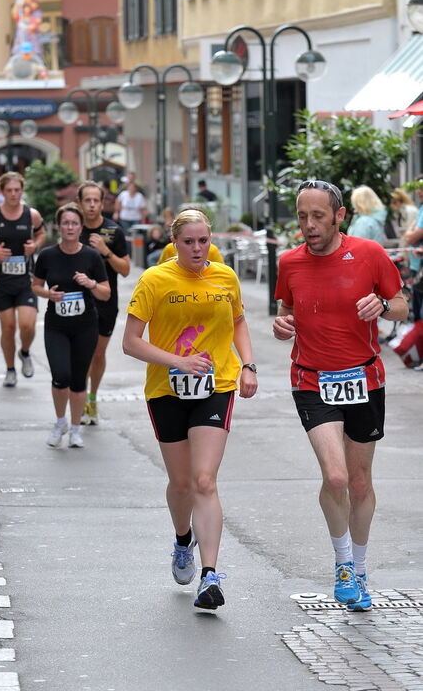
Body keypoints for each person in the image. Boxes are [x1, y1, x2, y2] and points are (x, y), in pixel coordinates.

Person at [273, 179, 408, 611]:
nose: (309, 225)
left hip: (364, 379)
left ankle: (363, 570)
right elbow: (286, 310)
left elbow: (403, 303)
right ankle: (344, 565)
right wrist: (283, 325)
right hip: (312, 379)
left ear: (338, 216)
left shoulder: (369, 254)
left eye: (317, 216)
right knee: (335, 478)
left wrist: (383, 307)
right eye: (302, 217)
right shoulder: (289, 262)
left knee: (360, 481)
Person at [123, 208, 257, 610]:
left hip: (216, 385)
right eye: (189, 242)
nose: (197, 249)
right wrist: (176, 360)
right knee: (181, 484)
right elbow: (131, 342)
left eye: (203, 241)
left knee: (204, 480)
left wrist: (247, 364)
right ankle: (183, 540)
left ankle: (210, 575)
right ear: (174, 242)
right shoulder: (155, 279)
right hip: (167, 389)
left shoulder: (224, 275)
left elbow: (238, 322)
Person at [32, 204, 111, 449]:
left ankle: (76, 429)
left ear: (81, 228)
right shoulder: (47, 255)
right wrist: (48, 295)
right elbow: (35, 286)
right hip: (56, 325)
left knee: (78, 381)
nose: (69, 227)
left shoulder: (91, 256)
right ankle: (60, 422)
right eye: (65, 223)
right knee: (60, 376)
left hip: (85, 326)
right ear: (59, 226)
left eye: (74, 223)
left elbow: (106, 293)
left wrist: (90, 283)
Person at [0, 171, 45, 387]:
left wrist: (35, 245)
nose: (14, 194)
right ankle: (10, 369)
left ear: (22, 191)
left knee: (27, 325)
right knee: (8, 327)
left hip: (27, 279)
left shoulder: (31, 214)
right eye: (9, 190)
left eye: (17, 190)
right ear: (2, 191)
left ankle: (24, 352)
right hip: (3, 281)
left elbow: (42, 234)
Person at [78, 181, 130, 425]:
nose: (91, 205)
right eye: (86, 200)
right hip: (78, 301)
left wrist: (106, 251)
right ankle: (78, 398)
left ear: (102, 203)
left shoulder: (114, 231)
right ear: (80, 203)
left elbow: (126, 269)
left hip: (106, 301)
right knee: (80, 355)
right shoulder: (73, 228)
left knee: (97, 354)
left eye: (95, 200)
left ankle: (92, 397)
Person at [404, 176, 423, 329]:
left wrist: (410, 232)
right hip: (417, 267)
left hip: (420, 268)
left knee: (420, 314)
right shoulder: (420, 209)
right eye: (417, 187)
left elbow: (411, 237)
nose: (419, 191)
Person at [114, 180, 147, 252]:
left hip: (136, 218)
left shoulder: (139, 196)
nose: (131, 189)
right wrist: (116, 212)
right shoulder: (123, 194)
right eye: (130, 187)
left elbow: (142, 209)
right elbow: (118, 203)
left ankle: (137, 251)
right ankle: (128, 250)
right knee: (127, 235)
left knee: (136, 235)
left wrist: (143, 220)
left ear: (135, 188)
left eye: (133, 187)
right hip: (125, 218)